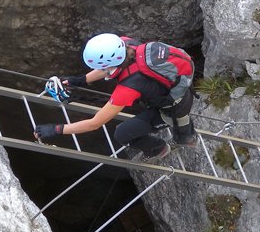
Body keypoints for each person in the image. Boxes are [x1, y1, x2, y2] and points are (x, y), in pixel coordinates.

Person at [34, 33, 197, 161]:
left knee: (122, 134)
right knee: (137, 123)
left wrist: (57, 129)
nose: (100, 70)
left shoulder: (129, 87)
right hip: (167, 89)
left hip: (172, 107)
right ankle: (181, 135)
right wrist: (79, 80)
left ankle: (161, 148)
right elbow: (108, 68)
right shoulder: (126, 44)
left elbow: (94, 123)